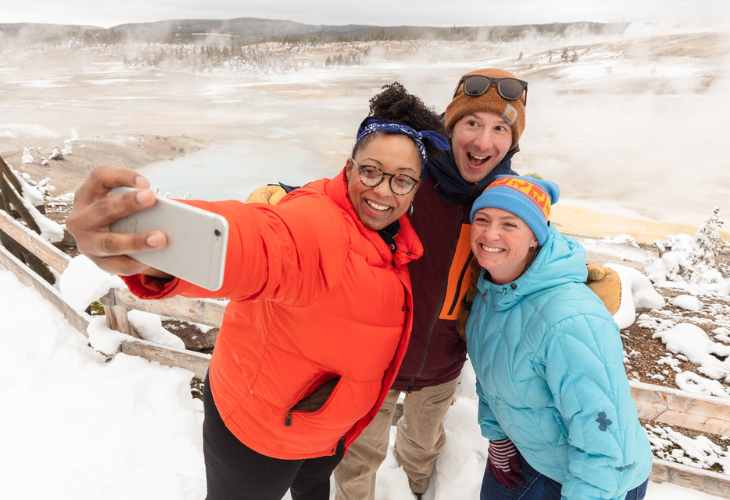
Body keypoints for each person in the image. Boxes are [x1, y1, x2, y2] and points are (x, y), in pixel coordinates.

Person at [248, 68, 620, 500]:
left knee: (421, 446)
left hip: (442, 364)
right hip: (376, 359)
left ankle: (421, 489)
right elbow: (349, 192)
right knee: (358, 452)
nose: (483, 141)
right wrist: (287, 199)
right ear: (452, 125)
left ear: (512, 141)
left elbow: (538, 248)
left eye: (500, 128)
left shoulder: (505, 200)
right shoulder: (411, 176)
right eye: (472, 124)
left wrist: (573, 281)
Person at [65, 83, 450, 500]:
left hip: (323, 431)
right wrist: (157, 247)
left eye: (402, 180)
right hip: (259, 433)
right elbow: (265, 242)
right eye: (371, 171)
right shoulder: (321, 224)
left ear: (415, 190)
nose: (381, 190)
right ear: (349, 167)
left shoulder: (394, 242)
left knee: (314, 488)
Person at [464, 175, 652, 500]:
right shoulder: (491, 293)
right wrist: (498, 436)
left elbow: (605, 436)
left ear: (536, 237)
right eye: (482, 220)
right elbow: (492, 372)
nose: (490, 234)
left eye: (509, 224)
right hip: (530, 453)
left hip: (595, 481)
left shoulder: (570, 320)